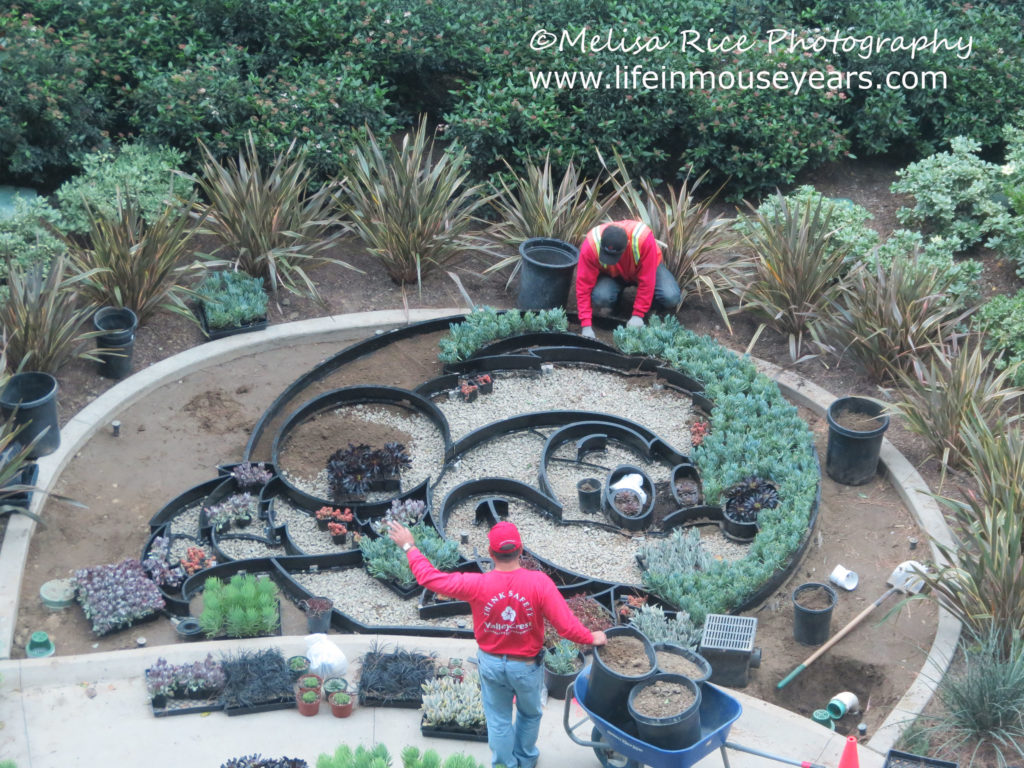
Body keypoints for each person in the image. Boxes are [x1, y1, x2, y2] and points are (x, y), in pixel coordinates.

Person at [387, 519, 607, 768]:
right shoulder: (539, 584)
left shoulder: (477, 584)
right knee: (530, 714)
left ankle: (505, 765)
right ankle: (526, 759)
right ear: (521, 550)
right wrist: (592, 637)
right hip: (526, 667)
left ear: (491, 554)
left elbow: (431, 579)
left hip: (491, 665)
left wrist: (409, 547)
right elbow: (566, 626)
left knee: (499, 720)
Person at [576, 220, 682, 339]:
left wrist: (638, 314)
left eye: (614, 257)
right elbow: (583, 286)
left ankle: (652, 308)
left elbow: (647, 281)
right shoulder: (591, 245)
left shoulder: (643, 239)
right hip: (613, 275)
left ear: (627, 245)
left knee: (671, 296)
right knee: (601, 297)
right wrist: (586, 326)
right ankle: (615, 306)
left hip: (646, 269)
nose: (610, 259)